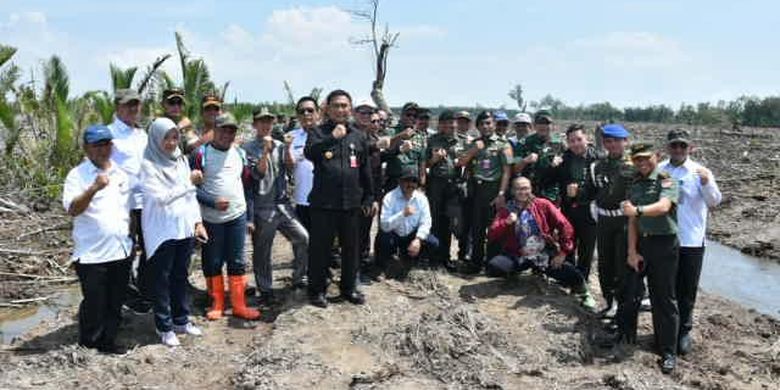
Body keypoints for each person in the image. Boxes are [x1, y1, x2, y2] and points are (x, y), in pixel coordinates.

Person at [63, 125, 133, 354]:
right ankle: (89, 343)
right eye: (98, 145)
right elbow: (73, 209)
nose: (103, 149)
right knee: (94, 301)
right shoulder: (77, 175)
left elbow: (127, 210)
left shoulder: (121, 173)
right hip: (92, 253)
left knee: (115, 300)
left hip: (120, 249)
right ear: (86, 148)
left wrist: (132, 239)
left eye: (107, 144)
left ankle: (108, 341)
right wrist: (93, 188)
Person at [141, 117, 209, 347]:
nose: (170, 143)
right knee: (161, 280)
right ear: (155, 139)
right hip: (161, 231)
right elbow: (160, 198)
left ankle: (181, 320)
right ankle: (164, 326)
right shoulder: (148, 165)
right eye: (165, 138)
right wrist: (189, 183)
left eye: (174, 137)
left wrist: (197, 222)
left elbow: (190, 197)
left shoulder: (180, 160)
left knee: (181, 276)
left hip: (183, 228)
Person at [304, 89, 374, 308]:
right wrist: (331, 138)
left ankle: (349, 288)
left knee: (351, 249)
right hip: (324, 203)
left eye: (345, 106)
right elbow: (310, 153)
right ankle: (317, 290)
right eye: (337, 105)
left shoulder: (358, 135)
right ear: (328, 108)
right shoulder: (318, 132)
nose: (341, 110)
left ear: (350, 108)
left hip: (351, 203)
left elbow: (365, 169)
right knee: (320, 249)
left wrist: (369, 196)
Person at [486, 177, 596, 311]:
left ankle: (584, 293)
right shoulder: (507, 209)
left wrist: (563, 252)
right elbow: (492, 233)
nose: (522, 192)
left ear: (531, 189)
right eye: (519, 189)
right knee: (495, 267)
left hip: (542, 254)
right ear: (513, 191)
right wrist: (506, 223)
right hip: (518, 254)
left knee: (571, 272)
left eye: (526, 188)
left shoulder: (542, 204)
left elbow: (565, 226)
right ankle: (516, 273)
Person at [192, 113, 260, 320]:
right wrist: (212, 202)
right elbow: (189, 189)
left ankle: (239, 305)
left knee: (237, 260)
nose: (227, 134)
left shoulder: (239, 153)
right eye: (223, 130)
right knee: (212, 261)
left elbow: (247, 187)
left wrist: (249, 217)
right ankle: (217, 303)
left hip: (237, 216)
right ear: (214, 130)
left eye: (231, 131)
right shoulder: (200, 154)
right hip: (211, 219)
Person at [659, 129, 721, 355]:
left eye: (682, 146)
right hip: (665, 238)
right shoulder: (661, 170)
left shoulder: (700, 172)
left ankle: (684, 331)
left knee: (687, 290)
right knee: (667, 289)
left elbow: (714, 201)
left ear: (690, 148)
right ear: (668, 147)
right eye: (674, 145)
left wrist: (706, 183)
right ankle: (667, 332)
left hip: (692, 240)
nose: (677, 150)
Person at [622, 142, 680, 374]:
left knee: (663, 299)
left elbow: (664, 207)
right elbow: (632, 221)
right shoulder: (634, 183)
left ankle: (668, 351)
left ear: (656, 157)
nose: (642, 163)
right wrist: (631, 251)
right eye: (637, 160)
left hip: (664, 245)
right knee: (629, 293)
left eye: (646, 158)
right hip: (642, 244)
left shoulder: (667, 180)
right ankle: (625, 340)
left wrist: (638, 210)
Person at [244, 107, 310, 303]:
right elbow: (258, 174)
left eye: (269, 121)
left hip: (282, 204)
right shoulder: (248, 148)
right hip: (263, 206)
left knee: (303, 237)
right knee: (263, 251)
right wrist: (265, 151)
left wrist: (288, 148)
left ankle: (299, 278)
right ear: (255, 124)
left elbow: (290, 167)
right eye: (262, 121)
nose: (266, 125)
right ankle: (265, 289)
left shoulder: (281, 145)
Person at [582, 123, 634, 318]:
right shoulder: (598, 165)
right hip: (604, 220)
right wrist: (577, 192)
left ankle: (623, 306)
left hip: (624, 222)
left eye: (615, 141)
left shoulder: (633, 165)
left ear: (624, 141)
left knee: (622, 265)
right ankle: (609, 302)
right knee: (605, 264)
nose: (611, 145)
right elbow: (590, 190)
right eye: (607, 141)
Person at [108, 89, 151, 314]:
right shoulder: (109, 134)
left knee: (149, 248)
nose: (133, 109)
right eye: (128, 105)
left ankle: (143, 292)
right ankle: (124, 295)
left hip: (146, 202)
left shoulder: (142, 134)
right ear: (117, 107)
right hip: (122, 203)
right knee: (124, 250)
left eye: (136, 105)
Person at [457, 111, 513, 274]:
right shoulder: (475, 143)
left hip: (494, 190)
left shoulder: (504, 144)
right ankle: (475, 263)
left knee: (495, 229)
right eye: (482, 124)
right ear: (478, 126)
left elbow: (507, 171)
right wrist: (474, 150)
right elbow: (461, 162)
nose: (485, 127)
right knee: (477, 228)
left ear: (494, 124)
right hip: (476, 190)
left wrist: (502, 193)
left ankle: (492, 264)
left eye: (488, 123)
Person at [375, 168, 438, 277]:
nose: (410, 184)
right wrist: (402, 214)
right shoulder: (390, 197)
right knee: (383, 239)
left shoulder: (422, 199)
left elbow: (426, 222)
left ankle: (412, 261)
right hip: (394, 235)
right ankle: (383, 265)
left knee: (433, 242)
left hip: (411, 236)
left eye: (414, 181)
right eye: (407, 181)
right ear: (400, 182)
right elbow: (384, 225)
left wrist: (418, 239)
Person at [558, 124, 602, 278]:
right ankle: (569, 277)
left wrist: (581, 192)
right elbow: (551, 179)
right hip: (569, 208)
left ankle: (582, 279)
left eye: (579, 139)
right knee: (568, 242)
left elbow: (601, 186)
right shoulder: (564, 158)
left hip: (590, 209)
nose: (575, 144)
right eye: (572, 141)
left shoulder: (598, 158)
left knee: (587, 247)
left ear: (587, 139)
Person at [424, 110, 460, 270]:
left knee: (449, 222)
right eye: (445, 123)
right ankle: (433, 257)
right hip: (436, 184)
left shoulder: (464, 141)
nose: (449, 126)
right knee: (434, 220)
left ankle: (445, 257)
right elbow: (424, 165)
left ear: (456, 124)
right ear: (440, 125)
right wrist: (435, 159)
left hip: (455, 185)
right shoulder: (432, 140)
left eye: (452, 122)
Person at [513, 110, 563, 202]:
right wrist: (524, 161)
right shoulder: (524, 143)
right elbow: (514, 169)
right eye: (540, 123)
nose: (543, 126)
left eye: (547, 123)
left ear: (552, 126)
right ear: (535, 126)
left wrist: (561, 161)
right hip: (529, 194)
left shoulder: (560, 144)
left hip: (552, 195)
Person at [288, 96, 321, 231]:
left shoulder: (329, 134)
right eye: (302, 111)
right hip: (302, 199)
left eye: (310, 110)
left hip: (326, 200)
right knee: (303, 244)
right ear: (297, 115)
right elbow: (288, 167)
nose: (306, 114)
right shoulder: (291, 137)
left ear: (317, 113)